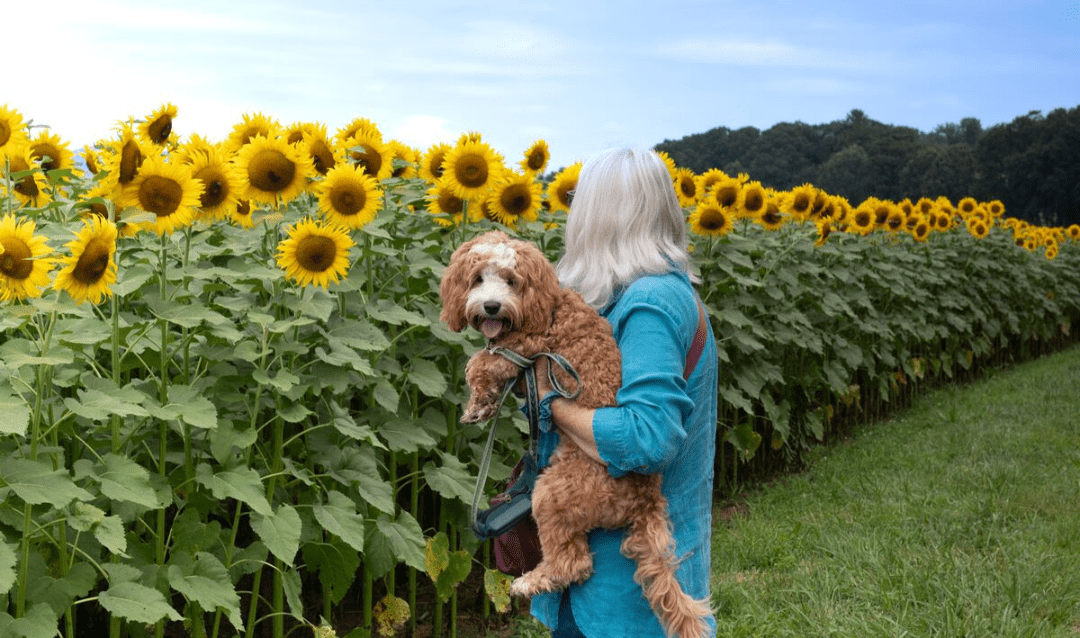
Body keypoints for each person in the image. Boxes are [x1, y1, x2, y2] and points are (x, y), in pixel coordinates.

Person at [530, 147, 718, 637]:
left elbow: (646, 437)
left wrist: (555, 403)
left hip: (624, 597)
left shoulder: (650, 303)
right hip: (630, 582)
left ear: (594, 218)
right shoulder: (650, 293)